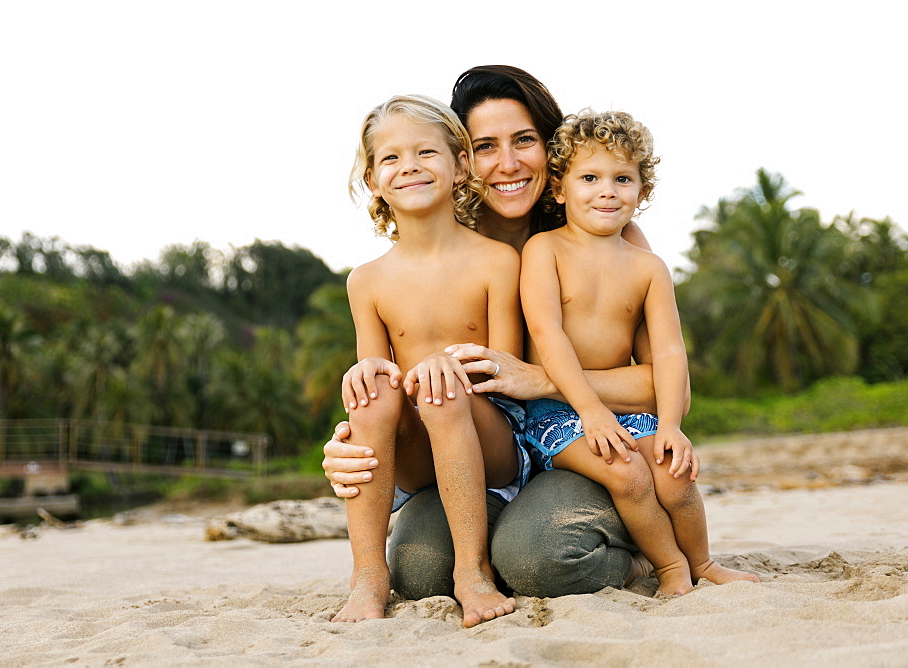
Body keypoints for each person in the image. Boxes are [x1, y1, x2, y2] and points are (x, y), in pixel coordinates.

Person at [323, 66, 683, 600]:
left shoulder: (606, 234)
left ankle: (635, 558)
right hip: (470, 447)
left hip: (576, 442)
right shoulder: (422, 254)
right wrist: (353, 446)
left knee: (540, 559)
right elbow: (385, 375)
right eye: (487, 145)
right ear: (465, 158)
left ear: (552, 151)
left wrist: (540, 380)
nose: (508, 164)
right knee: (419, 572)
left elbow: (662, 380)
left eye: (525, 141)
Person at [521, 110, 758, 595]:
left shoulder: (648, 267)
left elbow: (669, 351)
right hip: (557, 412)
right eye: (589, 177)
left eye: (622, 179)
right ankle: (668, 568)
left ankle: (703, 562)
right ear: (560, 189)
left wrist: (670, 424)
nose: (607, 190)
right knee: (628, 473)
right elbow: (547, 336)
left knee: (674, 476)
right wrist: (589, 409)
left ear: (641, 192)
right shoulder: (544, 251)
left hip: (624, 408)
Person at [334, 93, 526, 627]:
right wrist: (364, 374)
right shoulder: (366, 280)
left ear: (461, 165)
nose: (409, 167)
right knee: (371, 391)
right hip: (419, 455)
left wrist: (448, 369)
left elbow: (503, 372)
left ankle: (472, 572)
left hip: (491, 438)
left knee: (443, 389)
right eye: (390, 158)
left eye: (425, 152)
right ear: (372, 179)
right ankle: (368, 578)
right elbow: (379, 384)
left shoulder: (496, 260)